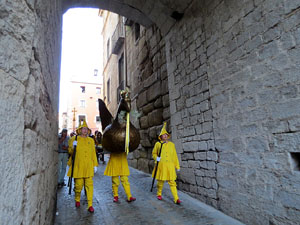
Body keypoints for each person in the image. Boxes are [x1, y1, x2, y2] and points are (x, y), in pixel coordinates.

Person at [67, 120, 98, 213]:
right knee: (78, 185)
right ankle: (77, 199)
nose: (84, 130)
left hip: (88, 166)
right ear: (80, 130)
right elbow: (70, 152)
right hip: (78, 166)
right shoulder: (74, 139)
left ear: (88, 131)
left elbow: (93, 153)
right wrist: (73, 147)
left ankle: (90, 205)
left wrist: (95, 165)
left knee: (89, 185)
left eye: (86, 129)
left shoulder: (91, 140)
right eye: (83, 129)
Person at [152, 122, 181, 204]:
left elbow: (174, 156)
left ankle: (176, 198)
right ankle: (159, 193)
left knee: (172, 182)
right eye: (163, 135)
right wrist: (156, 158)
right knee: (160, 181)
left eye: (166, 134)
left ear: (167, 136)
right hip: (162, 166)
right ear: (160, 136)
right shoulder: (158, 144)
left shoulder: (172, 145)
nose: (165, 136)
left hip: (170, 166)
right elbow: (154, 153)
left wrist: (177, 166)